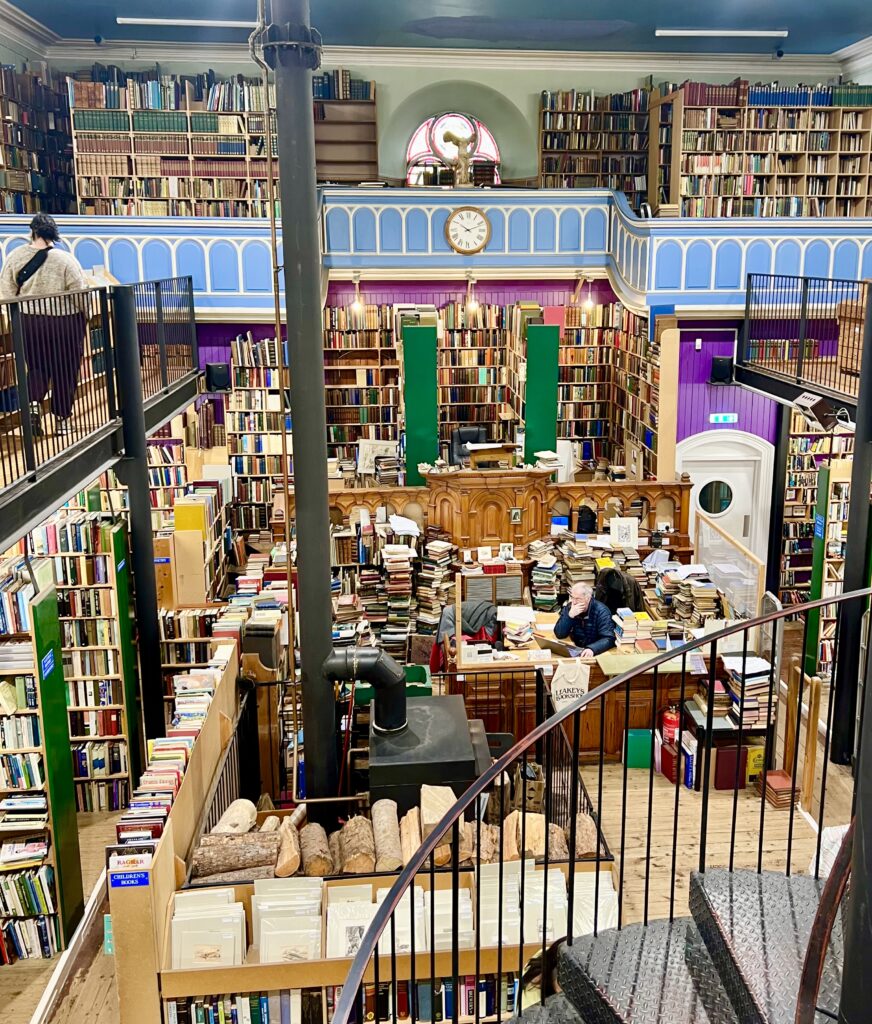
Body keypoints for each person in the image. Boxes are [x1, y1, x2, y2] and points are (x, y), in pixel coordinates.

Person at [0, 214, 87, 437]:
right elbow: (80, 292)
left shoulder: (15, 256)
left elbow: (6, 293)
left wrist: (13, 320)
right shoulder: (65, 259)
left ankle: (33, 406)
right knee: (65, 371)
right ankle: (62, 420)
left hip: (29, 322)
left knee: (37, 368)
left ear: (33, 232)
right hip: (64, 322)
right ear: (53, 234)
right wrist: (84, 316)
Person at [554, 582, 615, 658]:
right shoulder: (571, 607)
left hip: (594, 653)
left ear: (588, 598)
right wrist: (570, 616)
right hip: (576, 650)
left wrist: (592, 649)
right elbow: (559, 634)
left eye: (578, 599)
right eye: (572, 597)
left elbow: (609, 638)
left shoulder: (602, 611)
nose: (574, 602)